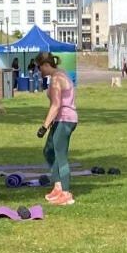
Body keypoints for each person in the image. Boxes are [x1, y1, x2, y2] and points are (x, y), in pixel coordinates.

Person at [36, 53, 77, 205]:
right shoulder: (60, 73)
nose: (39, 71)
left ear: (46, 65)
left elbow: (56, 104)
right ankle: (58, 186)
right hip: (60, 119)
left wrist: (44, 126)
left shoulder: (56, 79)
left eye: (40, 67)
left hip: (66, 119)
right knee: (48, 151)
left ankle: (66, 194)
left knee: (61, 155)